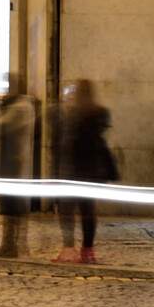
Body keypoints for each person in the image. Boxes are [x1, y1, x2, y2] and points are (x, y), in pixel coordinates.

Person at [55, 78, 119, 264]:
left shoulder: (72, 114)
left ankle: (68, 250)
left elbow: (68, 144)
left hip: (73, 170)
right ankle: (87, 251)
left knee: (66, 210)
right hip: (93, 170)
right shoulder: (100, 113)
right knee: (88, 211)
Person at [0, 85, 39, 257]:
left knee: (11, 206)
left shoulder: (19, 107)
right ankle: (18, 245)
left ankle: (11, 245)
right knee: (13, 207)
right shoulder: (22, 107)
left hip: (12, 165)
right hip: (12, 164)